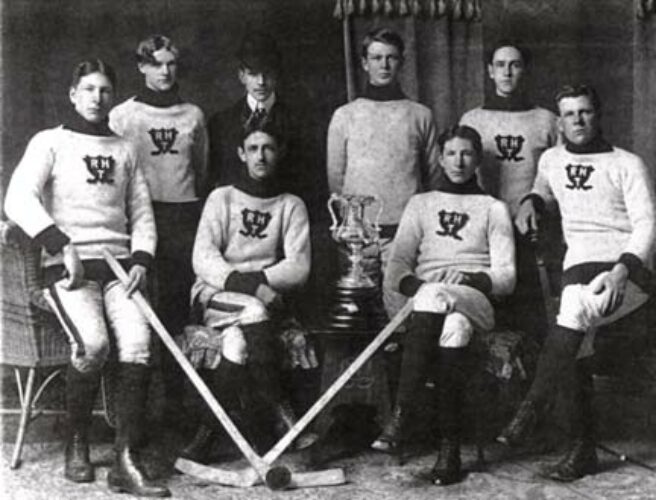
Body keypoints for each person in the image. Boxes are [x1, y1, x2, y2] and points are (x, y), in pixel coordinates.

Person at [4, 60, 169, 497]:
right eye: (89, 89)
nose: (98, 98)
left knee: (138, 345)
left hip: (119, 269)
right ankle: (74, 441)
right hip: (68, 270)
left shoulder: (126, 149)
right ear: (73, 94)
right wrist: (60, 243)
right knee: (93, 345)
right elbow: (17, 198)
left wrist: (141, 259)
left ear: (113, 97)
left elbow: (142, 213)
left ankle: (125, 459)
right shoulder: (50, 142)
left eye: (105, 90)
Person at [497, 84, 656, 482]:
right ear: (560, 121)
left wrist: (622, 269)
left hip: (626, 272)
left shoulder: (627, 163)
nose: (578, 121)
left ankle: (533, 408)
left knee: (573, 313)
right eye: (570, 115)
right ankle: (579, 447)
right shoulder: (550, 160)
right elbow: (541, 190)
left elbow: (647, 224)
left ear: (598, 114)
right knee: (577, 328)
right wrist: (529, 202)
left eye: (585, 112)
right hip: (578, 267)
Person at [370, 125, 516, 486]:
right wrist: (424, 287)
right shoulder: (420, 204)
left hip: (476, 301)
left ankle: (402, 416)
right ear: (440, 157)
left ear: (477, 159)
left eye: (466, 153)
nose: (459, 161)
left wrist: (468, 279)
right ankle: (448, 450)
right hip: (432, 307)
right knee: (454, 330)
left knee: (443, 302)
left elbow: (507, 277)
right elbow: (397, 270)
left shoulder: (492, 208)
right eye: (451, 153)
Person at [180, 122, 316, 461]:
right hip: (217, 296)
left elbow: (299, 267)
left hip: (264, 301)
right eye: (253, 148)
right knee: (255, 311)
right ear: (242, 154)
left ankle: (206, 433)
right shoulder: (221, 197)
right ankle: (280, 414)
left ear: (279, 153)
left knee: (236, 344)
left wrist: (261, 285)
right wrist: (253, 286)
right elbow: (204, 258)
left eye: (268, 148)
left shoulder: (290, 204)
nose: (261, 155)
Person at [109, 35, 208, 424]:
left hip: (183, 219)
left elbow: (200, 169)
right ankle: (135, 412)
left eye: (171, 64)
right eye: (157, 64)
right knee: (137, 309)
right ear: (142, 67)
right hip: (141, 221)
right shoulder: (124, 115)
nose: (165, 71)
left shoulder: (194, 115)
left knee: (177, 310)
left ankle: (177, 404)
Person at [326, 27, 441, 318]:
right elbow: (336, 178)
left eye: (391, 58)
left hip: (404, 235)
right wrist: (353, 225)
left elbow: (433, 176)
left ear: (401, 62)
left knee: (400, 316)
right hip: (359, 236)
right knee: (359, 312)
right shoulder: (345, 116)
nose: (384, 65)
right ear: (364, 63)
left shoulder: (420, 115)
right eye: (376, 58)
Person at [460, 40, 559, 341]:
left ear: (524, 71)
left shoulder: (547, 120)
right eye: (500, 65)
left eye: (515, 65)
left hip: (531, 229)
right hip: (484, 231)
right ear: (490, 71)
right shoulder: (472, 119)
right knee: (488, 311)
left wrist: (538, 204)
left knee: (530, 315)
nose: (507, 72)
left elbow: (559, 174)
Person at [207, 31, 322, 221]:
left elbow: (311, 183)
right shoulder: (221, 123)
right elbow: (214, 181)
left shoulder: (300, 121)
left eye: (267, 73)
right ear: (241, 75)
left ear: (276, 74)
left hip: (285, 221)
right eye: (253, 74)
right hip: (235, 224)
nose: (261, 82)